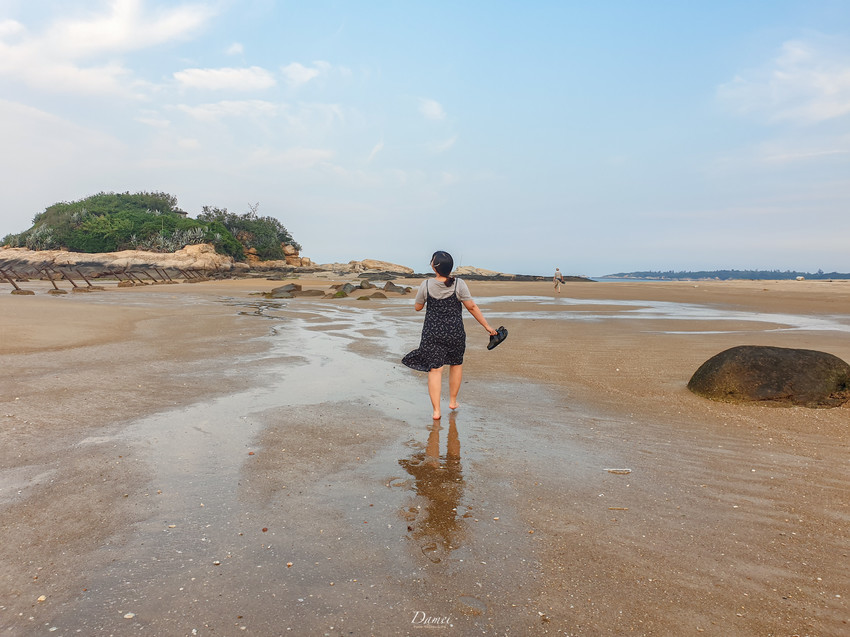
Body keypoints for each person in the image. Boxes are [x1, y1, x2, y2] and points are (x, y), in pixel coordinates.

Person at [402, 251, 497, 420]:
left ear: (434, 266)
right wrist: (487, 327)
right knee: (456, 365)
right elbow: (472, 307)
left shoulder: (425, 285)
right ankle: (453, 401)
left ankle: (436, 411)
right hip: (455, 333)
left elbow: (417, 307)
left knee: (435, 370)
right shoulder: (459, 284)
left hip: (432, 333)